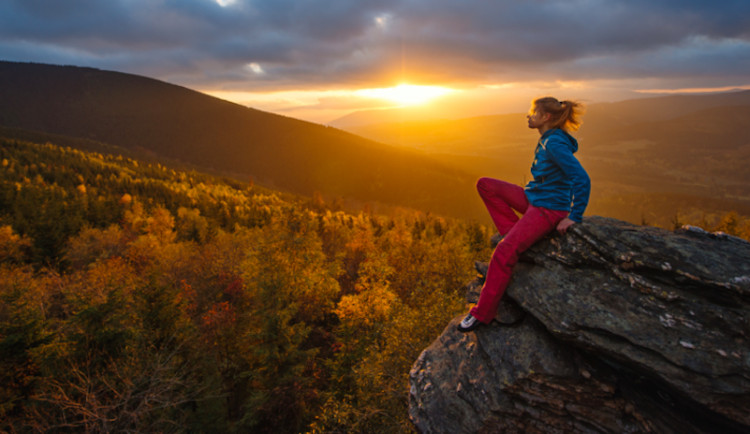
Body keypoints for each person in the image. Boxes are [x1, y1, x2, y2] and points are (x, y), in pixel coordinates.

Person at [458, 96, 590, 333]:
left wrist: (574, 215)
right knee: (485, 184)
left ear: (546, 117)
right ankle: (515, 236)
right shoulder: (548, 139)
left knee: (503, 252)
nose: (528, 116)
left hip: (547, 209)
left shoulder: (554, 144)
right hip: (534, 198)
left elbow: (581, 178)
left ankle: (482, 313)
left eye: (533, 112)